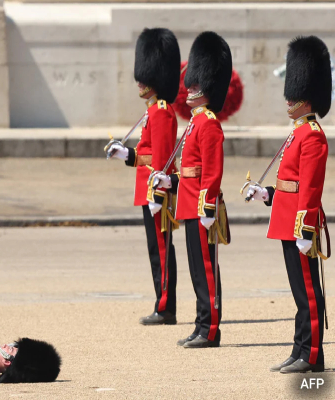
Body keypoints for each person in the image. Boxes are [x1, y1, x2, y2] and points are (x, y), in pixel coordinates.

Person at [244, 36, 330, 373]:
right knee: (299, 292)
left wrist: (306, 229)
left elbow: (310, 187)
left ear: (306, 98)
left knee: (308, 291)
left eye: (293, 95)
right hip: (286, 219)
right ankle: (299, 349)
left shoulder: (313, 134)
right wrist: (265, 193)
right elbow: (289, 183)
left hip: (299, 224)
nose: (288, 99)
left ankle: (312, 355)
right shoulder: (297, 132)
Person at [149, 31, 232, 348]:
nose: (190, 88)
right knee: (197, 270)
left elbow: (212, 171)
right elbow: (190, 171)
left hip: (201, 207)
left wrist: (208, 205)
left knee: (206, 269)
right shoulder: (196, 122)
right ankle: (201, 324)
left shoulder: (208, 122)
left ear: (207, 87)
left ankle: (210, 329)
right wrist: (169, 182)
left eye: (196, 85)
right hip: (189, 203)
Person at [106, 28, 181, 325]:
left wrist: (158, 194)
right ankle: (162, 304)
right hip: (147, 188)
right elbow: (147, 154)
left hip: (155, 191)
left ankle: (165, 308)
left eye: (145, 76)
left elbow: (162, 159)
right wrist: (125, 154)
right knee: (155, 249)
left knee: (161, 249)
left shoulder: (161, 111)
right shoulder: (152, 111)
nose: (140, 81)